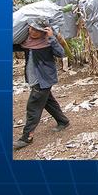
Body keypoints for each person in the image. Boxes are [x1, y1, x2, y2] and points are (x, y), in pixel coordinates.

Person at [13, 18, 70, 150]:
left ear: (43, 32)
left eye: (36, 30)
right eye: (31, 28)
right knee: (48, 101)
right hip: (33, 78)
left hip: (44, 79)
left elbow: (61, 53)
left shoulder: (48, 42)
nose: (32, 32)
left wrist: (52, 38)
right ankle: (63, 121)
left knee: (33, 106)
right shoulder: (27, 42)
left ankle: (26, 138)